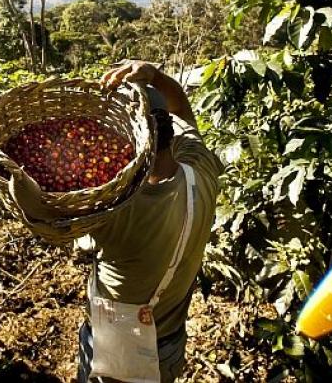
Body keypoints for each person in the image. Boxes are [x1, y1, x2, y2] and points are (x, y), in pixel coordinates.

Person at [76, 61, 224, 383]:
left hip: (115, 355)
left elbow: (53, 222)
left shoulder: (115, 213)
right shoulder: (201, 169)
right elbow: (182, 110)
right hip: (169, 349)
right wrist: (155, 76)